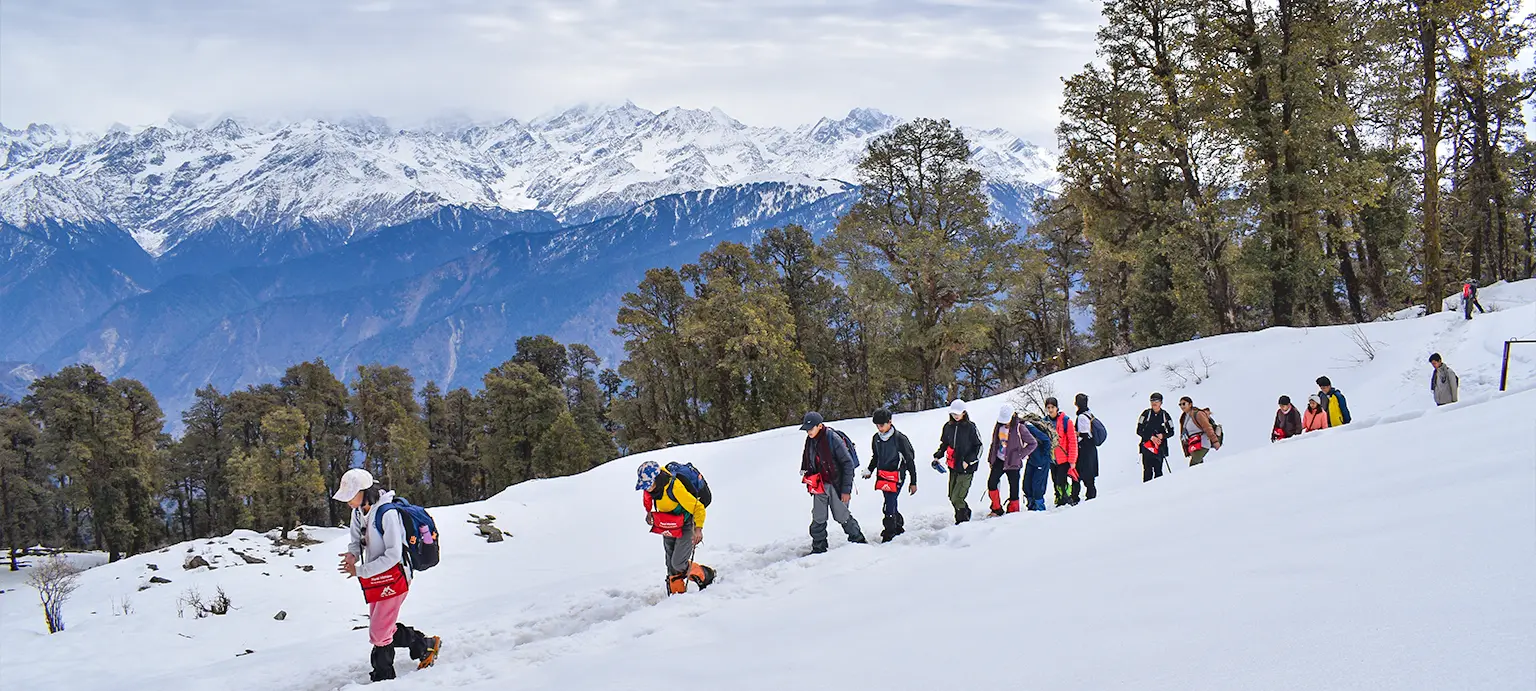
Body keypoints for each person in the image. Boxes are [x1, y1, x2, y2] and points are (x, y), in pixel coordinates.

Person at [333, 468, 442, 683]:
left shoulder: (387, 514)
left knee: (379, 632)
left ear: (365, 492)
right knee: (381, 628)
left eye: (350, 496)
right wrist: (352, 555)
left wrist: (360, 571)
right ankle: (425, 645)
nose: (347, 502)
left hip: (396, 576)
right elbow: (356, 540)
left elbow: (392, 555)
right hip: (376, 578)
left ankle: (384, 678)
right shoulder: (358, 512)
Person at [635, 461, 715, 595]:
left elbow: (698, 508)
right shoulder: (652, 488)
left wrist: (698, 529)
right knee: (670, 564)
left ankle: (706, 575)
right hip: (667, 523)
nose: (647, 488)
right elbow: (647, 497)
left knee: (678, 563)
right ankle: (677, 595)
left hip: (686, 524)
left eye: (649, 485)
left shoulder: (674, 488)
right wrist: (648, 512)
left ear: (658, 479)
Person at [799, 412, 867, 553]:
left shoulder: (832, 438)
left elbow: (848, 464)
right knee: (818, 516)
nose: (808, 431)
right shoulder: (810, 440)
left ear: (819, 426)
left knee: (841, 515)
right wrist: (806, 473)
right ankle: (818, 547)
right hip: (819, 484)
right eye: (806, 429)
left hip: (837, 484)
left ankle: (859, 541)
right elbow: (808, 458)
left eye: (811, 428)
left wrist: (846, 490)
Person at [861, 409, 917, 541]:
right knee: (889, 502)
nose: (879, 428)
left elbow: (910, 461)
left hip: (897, 475)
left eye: (881, 425)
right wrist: (870, 470)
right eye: (877, 426)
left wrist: (913, 481)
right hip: (883, 476)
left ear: (890, 422)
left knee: (889, 505)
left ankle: (890, 532)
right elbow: (876, 456)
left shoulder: (900, 439)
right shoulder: (876, 439)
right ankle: (898, 525)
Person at [933, 399, 983, 524]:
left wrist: (969, 461)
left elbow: (979, 446)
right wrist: (938, 455)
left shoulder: (971, 427)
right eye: (953, 413)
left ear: (964, 413)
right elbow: (945, 443)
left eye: (958, 413)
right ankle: (964, 512)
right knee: (951, 496)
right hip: (953, 465)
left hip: (967, 468)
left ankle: (962, 521)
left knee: (958, 497)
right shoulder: (948, 426)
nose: (955, 416)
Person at [984, 404, 1038, 515]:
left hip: (1013, 462)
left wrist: (1020, 455)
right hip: (999, 460)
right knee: (991, 483)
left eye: (1007, 420)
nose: (1005, 423)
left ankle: (1013, 512)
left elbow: (1033, 443)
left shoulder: (1020, 428)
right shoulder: (999, 426)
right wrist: (991, 458)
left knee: (1014, 488)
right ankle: (996, 508)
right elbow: (994, 443)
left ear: (1013, 416)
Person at [1043, 397, 1079, 507]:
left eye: (1052, 407)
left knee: (1061, 480)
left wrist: (1072, 460)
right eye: (1048, 407)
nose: (1050, 410)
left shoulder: (1065, 421)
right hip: (1052, 458)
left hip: (1064, 457)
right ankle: (1059, 497)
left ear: (1057, 408)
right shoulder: (1044, 422)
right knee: (1055, 480)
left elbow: (1072, 441)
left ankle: (1066, 498)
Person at [1136, 393, 1175, 482]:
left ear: (1161, 402)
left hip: (1159, 448)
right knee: (1147, 471)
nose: (1154, 403)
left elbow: (1172, 432)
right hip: (1147, 447)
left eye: (1156, 401)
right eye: (1152, 401)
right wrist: (1151, 437)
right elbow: (1138, 430)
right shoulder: (1146, 414)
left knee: (1158, 471)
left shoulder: (1165, 415)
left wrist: (1163, 436)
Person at [1019, 411, 1054, 511]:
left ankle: (1040, 510)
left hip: (1041, 461)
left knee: (1037, 488)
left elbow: (1046, 440)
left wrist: (1043, 456)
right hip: (1032, 460)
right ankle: (1031, 508)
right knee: (1026, 486)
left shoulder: (1029, 428)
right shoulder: (1018, 429)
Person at [1072, 393, 1101, 502]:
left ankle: (1077, 497)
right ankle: (1090, 496)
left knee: (1079, 475)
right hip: (1091, 449)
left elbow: (1085, 434)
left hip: (1084, 450)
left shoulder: (1081, 417)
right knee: (1089, 477)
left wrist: (1076, 434)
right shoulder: (1089, 414)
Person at [1176, 396, 1220, 466]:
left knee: (1193, 464)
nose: (1181, 406)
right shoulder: (1184, 418)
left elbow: (1207, 427)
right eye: (1180, 404)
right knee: (1199, 466)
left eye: (1184, 404)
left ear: (1190, 404)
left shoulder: (1198, 413)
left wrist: (1215, 441)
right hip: (1193, 444)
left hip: (1203, 442)